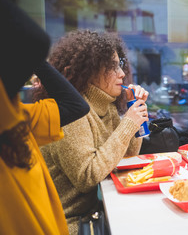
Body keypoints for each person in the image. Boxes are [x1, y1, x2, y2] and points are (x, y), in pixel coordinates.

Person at [35, 29, 149, 234]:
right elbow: (87, 177)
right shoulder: (71, 113)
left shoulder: (108, 106)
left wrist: (136, 109)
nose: (122, 73)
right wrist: (128, 124)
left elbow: (129, 154)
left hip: (94, 213)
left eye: (120, 64)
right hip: (67, 223)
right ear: (88, 71)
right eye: (112, 67)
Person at [0, 0, 89, 234]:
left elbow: (75, 107)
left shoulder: (17, 116)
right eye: (113, 65)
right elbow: (33, 41)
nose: (121, 73)